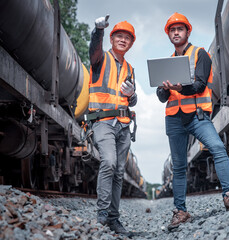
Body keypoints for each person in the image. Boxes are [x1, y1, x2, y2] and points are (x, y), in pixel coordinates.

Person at [156, 12, 229, 230]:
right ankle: (180, 212)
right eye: (172, 30)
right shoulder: (167, 63)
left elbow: (199, 86)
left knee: (217, 148)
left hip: (197, 116)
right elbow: (162, 98)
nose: (176, 33)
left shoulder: (201, 54)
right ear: (169, 34)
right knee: (178, 167)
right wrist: (163, 89)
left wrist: (179, 87)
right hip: (173, 119)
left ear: (188, 32)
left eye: (180, 29)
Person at [88, 14, 136, 236]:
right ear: (112, 38)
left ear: (131, 43)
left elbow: (131, 100)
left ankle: (114, 219)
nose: (123, 40)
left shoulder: (130, 68)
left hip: (123, 125)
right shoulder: (100, 59)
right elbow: (93, 51)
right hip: (103, 121)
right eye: (119, 36)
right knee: (108, 161)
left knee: (118, 172)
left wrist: (133, 94)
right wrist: (98, 31)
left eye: (127, 37)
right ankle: (102, 216)